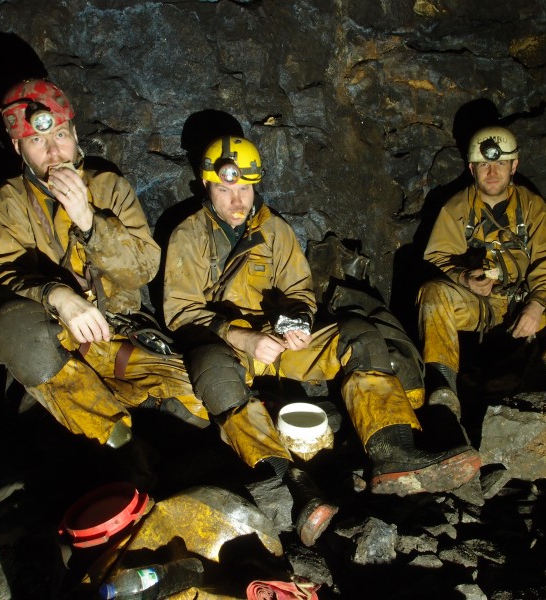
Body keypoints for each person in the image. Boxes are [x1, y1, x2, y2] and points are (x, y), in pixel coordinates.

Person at [163, 136, 480, 547]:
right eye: (225, 190)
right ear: (206, 185)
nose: (237, 201)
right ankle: (292, 482)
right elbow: (181, 312)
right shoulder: (188, 235)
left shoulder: (274, 230)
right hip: (231, 348)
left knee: (359, 335)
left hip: (278, 345)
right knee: (212, 367)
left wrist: (298, 322)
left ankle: (393, 450)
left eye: (244, 189)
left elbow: (299, 290)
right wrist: (241, 336)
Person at [0, 79, 208, 468]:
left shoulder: (109, 188)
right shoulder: (5, 202)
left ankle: (145, 412)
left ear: (75, 134)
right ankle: (122, 445)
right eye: (37, 142)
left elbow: (143, 269)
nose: (54, 152)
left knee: (205, 397)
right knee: (16, 330)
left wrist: (89, 221)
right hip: (55, 348)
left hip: (122, 334)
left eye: (62, 136)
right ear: (18, 148)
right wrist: (57, 295)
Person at [418, 126, 546, 412]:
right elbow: (439, 254)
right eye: (485, 164)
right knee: (432, 293)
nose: (492, 172)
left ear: (514, 165)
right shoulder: (456, 207)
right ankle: (443, 391)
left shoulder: (532, 206)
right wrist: (465, 278)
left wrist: (537, 304)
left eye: (500, 163)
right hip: (480, 303)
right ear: (471, 168)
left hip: (524, 299)